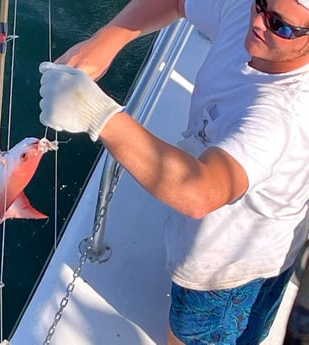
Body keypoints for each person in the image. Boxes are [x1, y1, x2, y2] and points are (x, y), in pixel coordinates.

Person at [38, 0, 309, 343]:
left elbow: (201, 192)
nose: (259, 22)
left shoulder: (282, 116)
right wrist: (105, 41)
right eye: (261, 4)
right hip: (204, 225)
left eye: (280, 26)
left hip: (230, 271)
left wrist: (96, 114)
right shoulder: (254, 15)